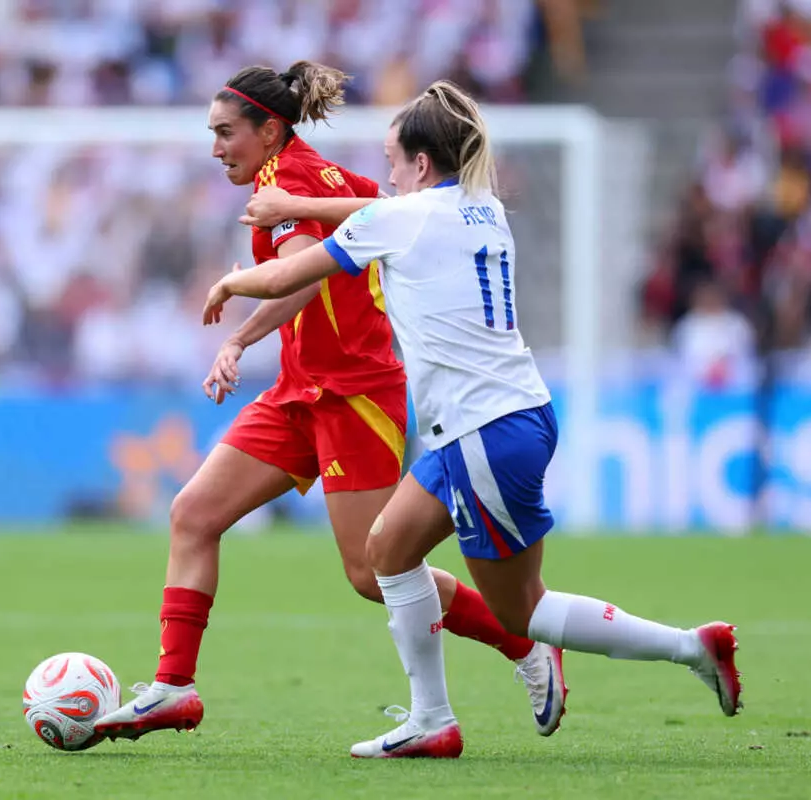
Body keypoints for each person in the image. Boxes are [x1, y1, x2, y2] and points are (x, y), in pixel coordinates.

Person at [203, 80, 743, 759]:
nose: (387, 176)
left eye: (394, 161)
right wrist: (303, 202)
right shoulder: (483, 207)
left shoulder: (401, 218)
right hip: (500, 420)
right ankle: (432, 719)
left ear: (422, 165)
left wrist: (228, 283)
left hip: (485, 432)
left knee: (525, 610)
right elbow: (382, 208)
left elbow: (288, 277)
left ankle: (691, 647)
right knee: (388, 551)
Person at [94, 63, 566, 742]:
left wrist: (239, 308)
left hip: (353, 391)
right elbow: (381, 210)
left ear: (269, 128)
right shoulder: (299, 175)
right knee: (193, 513)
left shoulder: (293, 180)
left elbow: (303, 274)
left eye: (226, 132)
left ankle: (524, 643)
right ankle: (173, 686)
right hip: (299, 387)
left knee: (373, 570)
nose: (216, 146)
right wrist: (244, 343)